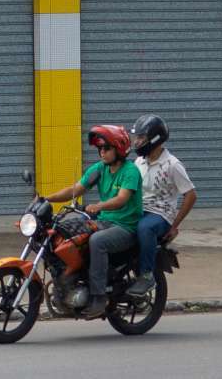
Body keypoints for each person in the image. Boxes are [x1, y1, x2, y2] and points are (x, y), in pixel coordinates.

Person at [44, 124, 142, 319]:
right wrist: (47, 199)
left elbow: (122, 198)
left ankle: (98, 298)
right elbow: (75, 189)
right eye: (99, 149)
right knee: (66, 233)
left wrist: (99, 206)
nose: (102, 153)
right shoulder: (99, 169)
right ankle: (70, 281)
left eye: (106, 149)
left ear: (119, 149)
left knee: (96, 241)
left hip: (125, 227)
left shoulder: (130, 171)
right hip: (105, 222)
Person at [127, 113, 197, 297]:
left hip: (160, 215)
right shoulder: (139, 161)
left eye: (141, 138)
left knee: (145, 229)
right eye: (136, 137)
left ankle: (147, 275)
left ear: (155, 139)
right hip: (139, 209)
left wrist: (175, 225)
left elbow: (190, 195)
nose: (136, 142)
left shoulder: (172, 165)